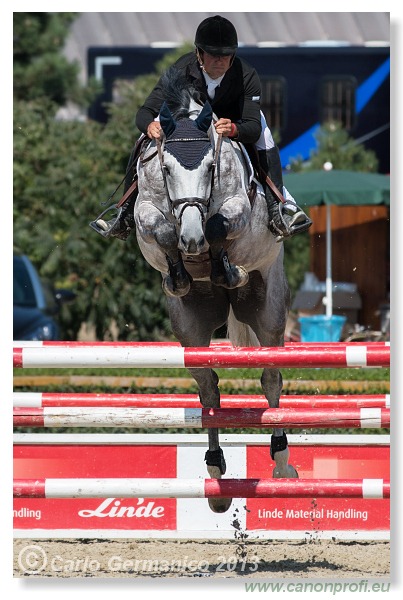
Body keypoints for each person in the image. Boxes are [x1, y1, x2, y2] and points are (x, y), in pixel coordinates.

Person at [94, 14, 312, 244]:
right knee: (142, 138)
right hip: (188, 124)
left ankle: (278, 208)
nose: (220, 61)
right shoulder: (180, 69)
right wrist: (149, 125)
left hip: (233, 119)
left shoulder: (247, 75)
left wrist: (235, 129)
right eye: (213, 56)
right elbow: (145, 111)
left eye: (225, 56)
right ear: (199, 53)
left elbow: (253, 127)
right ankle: (125, 212)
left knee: (265, 136)